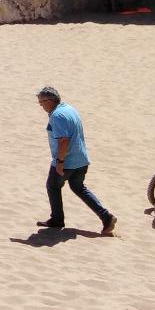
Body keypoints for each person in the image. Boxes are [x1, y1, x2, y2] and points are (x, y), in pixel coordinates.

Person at [36, 86, 117, 235]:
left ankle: (57, 219)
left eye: (42, 102)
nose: (41, 105)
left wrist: (60, 162)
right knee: (78, 187)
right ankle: (106, 216)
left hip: (67, 162)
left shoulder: (57, 116)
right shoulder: (68, 109)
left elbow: (63, 141)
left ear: (50, 100)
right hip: (81, 160)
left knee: (52, 186)